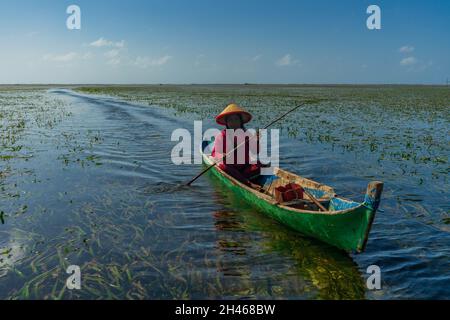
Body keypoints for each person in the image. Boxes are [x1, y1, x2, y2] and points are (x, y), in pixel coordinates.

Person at [211, 103, 262, 189]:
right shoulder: (222, 135)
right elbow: (215, 153)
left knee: (261, 164)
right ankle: (248, 183)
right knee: (224, 166)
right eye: (230, 120)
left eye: (236, 119)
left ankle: (242, 177)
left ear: (240, 121)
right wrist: (222, 155)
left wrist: (257, 141)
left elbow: (255, 151)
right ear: (226, 123)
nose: (233, 122)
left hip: (244, 167)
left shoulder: (247, 134)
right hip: (231, 168)